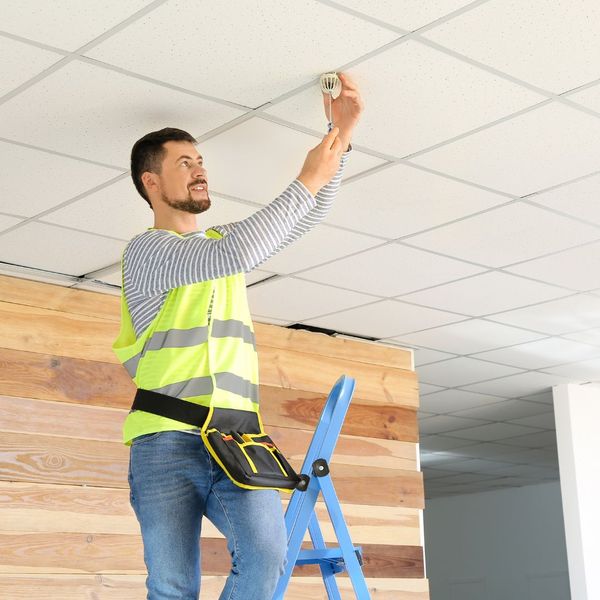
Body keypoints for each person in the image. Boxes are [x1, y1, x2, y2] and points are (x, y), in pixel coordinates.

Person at [112, 73, 363, 600]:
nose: (200, 170)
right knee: (173, 584)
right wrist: (306, 175)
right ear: (150, 183)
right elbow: (239, 250)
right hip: (166, 441)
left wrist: (339, 136)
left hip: (237, 437)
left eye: (200, 162)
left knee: (268, 560)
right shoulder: (149, 252)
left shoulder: (221, 248)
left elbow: (303, 215)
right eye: (185, 163)